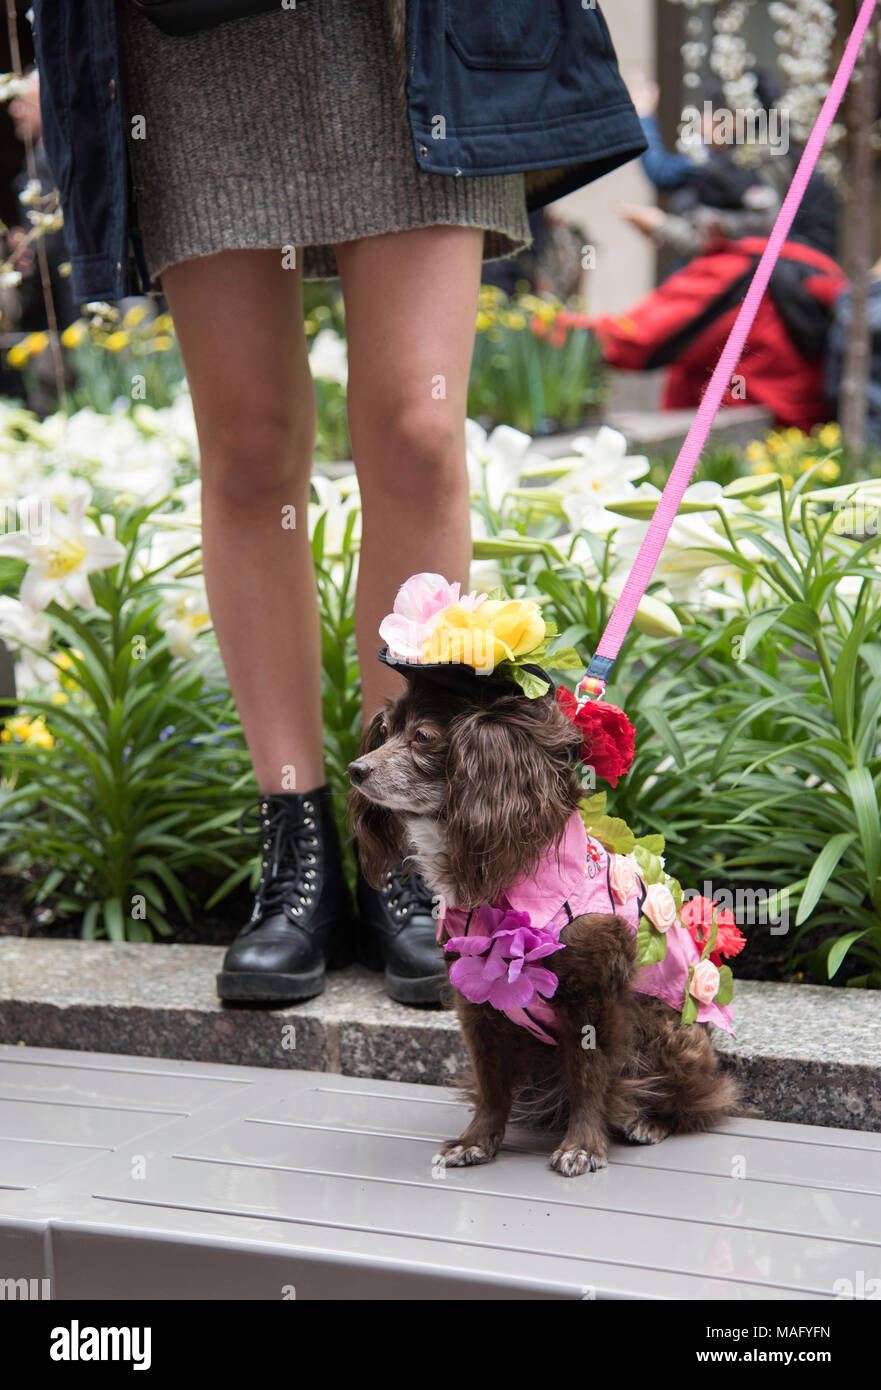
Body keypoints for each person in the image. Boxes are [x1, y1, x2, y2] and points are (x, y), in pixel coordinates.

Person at [32, 0, 646, 1007]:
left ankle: (402, 836)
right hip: (195, 42)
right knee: (248, 449)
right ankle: (296, 845)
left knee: (414, 424)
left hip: (411, 37)